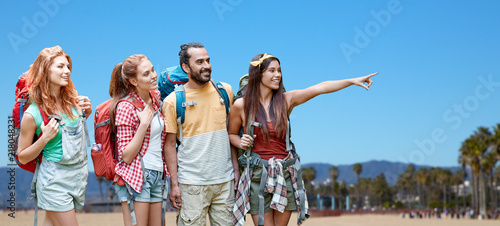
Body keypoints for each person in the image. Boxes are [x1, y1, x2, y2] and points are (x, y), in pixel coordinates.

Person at [229, 53, 377, 226]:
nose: (278, 75)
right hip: (256, 176)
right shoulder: (241, 105)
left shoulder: (286, 100)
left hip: (284, 173)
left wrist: (352, 81)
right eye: (272, 70)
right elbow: (231, 134)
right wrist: (240, 142)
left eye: (279, 70)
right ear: (258, 74)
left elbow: (320, 88)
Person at [162, 42, 239, 225]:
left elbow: (232, 134)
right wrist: (174, 185)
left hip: (225, 182)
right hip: (191, 185)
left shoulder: (225, 92)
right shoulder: (174, 101)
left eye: (208, 60)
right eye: (200, 62)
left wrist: (236, 170)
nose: (206, 66)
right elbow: (169, 145)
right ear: (186, 67)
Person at [17, 45, 92, 225]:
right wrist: (44, 138)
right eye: (60, 67)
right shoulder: (33, 114)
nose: (66, 71)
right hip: (54, 181)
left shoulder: (74, 104)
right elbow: (22, 156)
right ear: (45, 71)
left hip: (77, 177)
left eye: (67, 67)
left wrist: (85, 115)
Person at [110, 54, 168, 226]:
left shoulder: (156, 97)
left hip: (157, 174)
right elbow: (126, 156)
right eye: (146, 74)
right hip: (137, 177)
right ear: (133, 81)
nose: (153, 75)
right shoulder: (125, 107)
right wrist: (143, 124)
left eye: (152, 70)